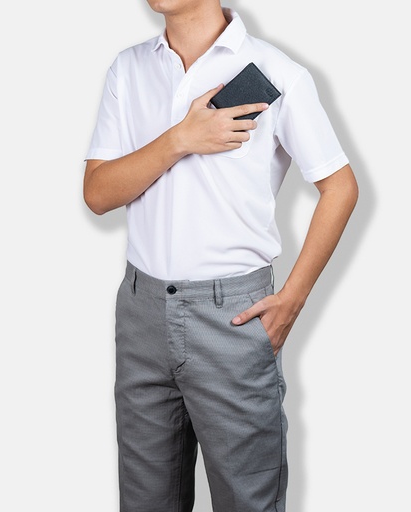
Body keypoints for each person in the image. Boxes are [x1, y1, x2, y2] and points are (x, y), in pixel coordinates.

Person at [83, 1, 358, 510]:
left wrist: (293, 298)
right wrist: (180, 139)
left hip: (232, 317)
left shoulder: (276, 72)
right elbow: (98, 194)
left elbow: (339, 187)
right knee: (145, 501)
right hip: (141, 314)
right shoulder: (129, 68)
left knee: (246, 500)